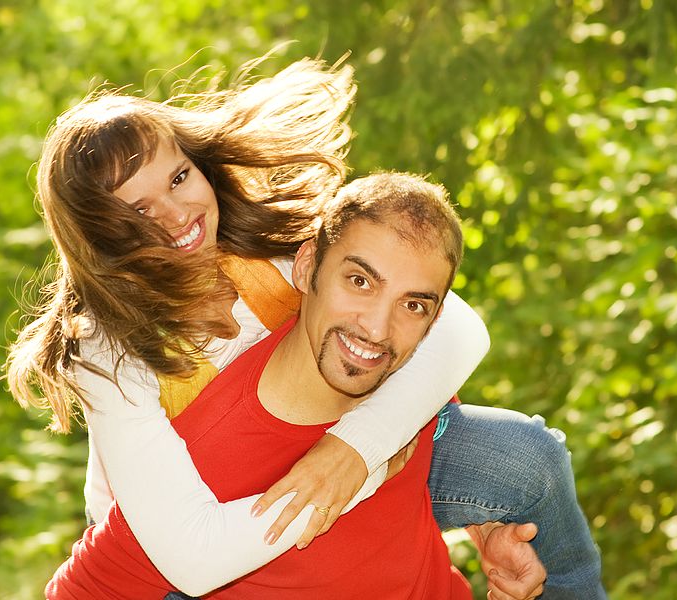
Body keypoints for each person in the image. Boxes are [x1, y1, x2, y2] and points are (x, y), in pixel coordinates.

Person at [6, 57, 605, 598]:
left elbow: (458, 326)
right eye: (137, 211)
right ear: (99, 234)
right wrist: (368, 469)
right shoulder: (107, 352)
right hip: (188, 538)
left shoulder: (264, 249)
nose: (176, 214)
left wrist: (357, 448)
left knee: (531, 459)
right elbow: (190, 554)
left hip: (324, 452)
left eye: (178, 178)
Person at [46, 172, 549, 599]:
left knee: (532, 454)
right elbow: (107, 579)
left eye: (413, 305)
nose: (377, 328)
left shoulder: (391, 364)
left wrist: (477, 519)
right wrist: (363, 466)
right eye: (359, 281)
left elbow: (455, 336)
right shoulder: (145, 399)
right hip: (164, 526)